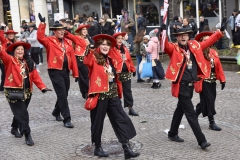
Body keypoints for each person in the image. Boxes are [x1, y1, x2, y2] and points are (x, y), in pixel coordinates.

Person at [161, 22, 224, 149]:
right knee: (191, 115)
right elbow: (165, 46)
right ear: (177, 38)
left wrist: (219, 32)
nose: (183, 37)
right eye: (180, 35)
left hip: (190, 86)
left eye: (185, 35)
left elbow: (207, 42)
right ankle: (202, 141)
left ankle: (172, 133)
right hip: (181, 86)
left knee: (180, 110)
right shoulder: (174, 48)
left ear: (188, 36)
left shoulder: (194, 46)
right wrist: (163, 33)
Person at [83, 34, 140, 159]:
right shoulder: (93, 57)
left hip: (113, 94)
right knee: (97, 122)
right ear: (98, 45)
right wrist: (90, 47)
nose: (105, 46)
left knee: (121, 118)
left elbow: (116, 71)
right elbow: (86, 61)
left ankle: (126, 149)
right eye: (103, 44)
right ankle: (97, 147)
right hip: (100, 95)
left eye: (107, 44)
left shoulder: (110, 59)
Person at [0, 41, 51, 146]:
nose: (20, 51)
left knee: (20, 112)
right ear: (14, 52)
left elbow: (35, 76)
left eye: (22, 49)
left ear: (24, 51)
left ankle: (14, 128)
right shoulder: (9, 60)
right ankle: (27, 134)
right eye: (17, 49)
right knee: (23, 114)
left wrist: (42, 87)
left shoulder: (28, 62)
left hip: (27, 92)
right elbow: (2, 53)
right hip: (13, 92)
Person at [37, 13, 78, 128]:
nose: (61, 32)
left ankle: (56, 111)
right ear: (54, 31)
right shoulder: (49, 41)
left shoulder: (69, 42)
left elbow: (73, 58)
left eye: (63, 30)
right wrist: (42, 24)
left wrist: (75, 73)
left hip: (66, 71)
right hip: (54, 71)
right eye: (59, 30)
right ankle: (67, 118)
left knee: (64, 93)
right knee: (62, 94)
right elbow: (40, 38)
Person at [195, 31, 226, 131]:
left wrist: (222, 79)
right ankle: (211, 122)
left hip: (213, 81)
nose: (208, 42)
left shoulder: (213, 52)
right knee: (210, 100)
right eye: (205, 40)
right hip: (203, 80)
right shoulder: (199, 52)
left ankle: (193, 117)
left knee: (204, 102)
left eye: (209, 39)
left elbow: (219, 66)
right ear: (201, 41)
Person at [64, 24, 93, 99]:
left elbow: (94, 46)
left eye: (86, 30)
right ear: (80, 31)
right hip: (80, 61)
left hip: (89, 60)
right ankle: (87, 92)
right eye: (83, 30)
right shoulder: (77, 38)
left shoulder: (88, 38)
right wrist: (64, 30)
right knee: (84, 78)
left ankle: (86, 92)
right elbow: (69, 35)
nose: (85, 31)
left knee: (86, 77)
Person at [113, 32, 138, 116]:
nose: (120, 40)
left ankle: (130, 108)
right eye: (118, 38)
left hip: (126, 73)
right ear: (115, 40)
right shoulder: (112, 49)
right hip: (117, 74)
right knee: (117, 91)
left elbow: (129, 60)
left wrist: (133, 69)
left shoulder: (125, 48)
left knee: (128, 91)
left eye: (121, 38)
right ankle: (118, 109)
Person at [0, 25, 18, 92]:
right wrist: (2, 30)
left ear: (14, 35)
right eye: (9, 34)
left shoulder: (16, 41)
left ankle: (12, 85)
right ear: (7, 35)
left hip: (13, 59)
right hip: (5, 60)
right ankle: (2, 87)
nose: (11, 35)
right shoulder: (5, 41)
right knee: (4, 73)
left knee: (13, 72)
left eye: (12, 34)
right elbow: (1, 37)